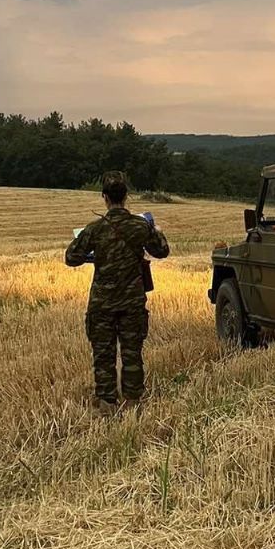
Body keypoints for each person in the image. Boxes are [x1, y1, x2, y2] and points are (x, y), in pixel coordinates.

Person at [65, 171, 170, 414]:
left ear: (104, 197)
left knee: (103, 354)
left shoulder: (95, 229)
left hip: (102, 302)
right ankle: (133, 401)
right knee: (132, 352)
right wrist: (158, 230)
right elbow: (162, 251)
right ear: (127, 196)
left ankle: (107, 402)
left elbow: (71, 258)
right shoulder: (140, 226)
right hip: (132, 301)